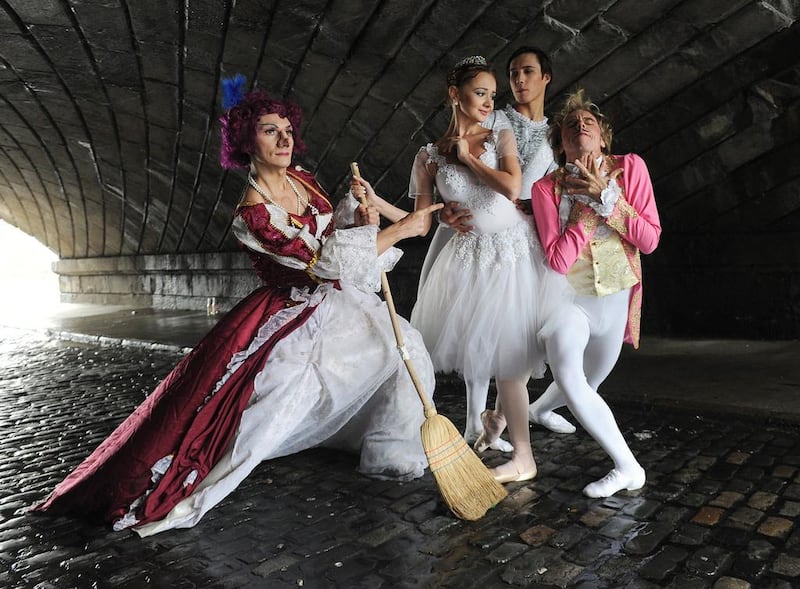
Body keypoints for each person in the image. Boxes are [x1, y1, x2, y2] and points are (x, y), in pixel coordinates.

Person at [32, 82, 443, 535]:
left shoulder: (302, 177)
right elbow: (323, 265)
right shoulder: (252, 213)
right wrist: (400, 228)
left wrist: (359, 220)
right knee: (274, 406)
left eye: (288, 130)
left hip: (340, 299)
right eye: (271, 132)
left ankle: (388, 448)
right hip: (292, 313)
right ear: (248, 143)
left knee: (406, 350)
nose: (286, 140)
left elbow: (334, 238)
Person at [406, 55, 566, 484]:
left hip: (512, 253)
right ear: (454, 95)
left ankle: (517, 449)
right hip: (468, 257)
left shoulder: (501, 133)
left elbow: (513, 186)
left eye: (492, 95)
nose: (488, 101)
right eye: (480, 93)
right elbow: (421, 221)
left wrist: (471, 159)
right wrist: (381, 208)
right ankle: (480, 427)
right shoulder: (428, 155)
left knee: (510, 355)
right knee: (480, 351)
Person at [529, 88, 661, 497]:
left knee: (587, 383)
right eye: (571, 125)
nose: (580, 126)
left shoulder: (630, 168)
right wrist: (586, 210)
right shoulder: (545, 189)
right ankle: (627, 466)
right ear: (561, 144)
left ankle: (537, 410)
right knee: (569, 375)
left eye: (589, 122)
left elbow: (649, 238)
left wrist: (606, 198)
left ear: (603, 137)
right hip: (570, 302)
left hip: (617, 300)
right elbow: (557, 260)